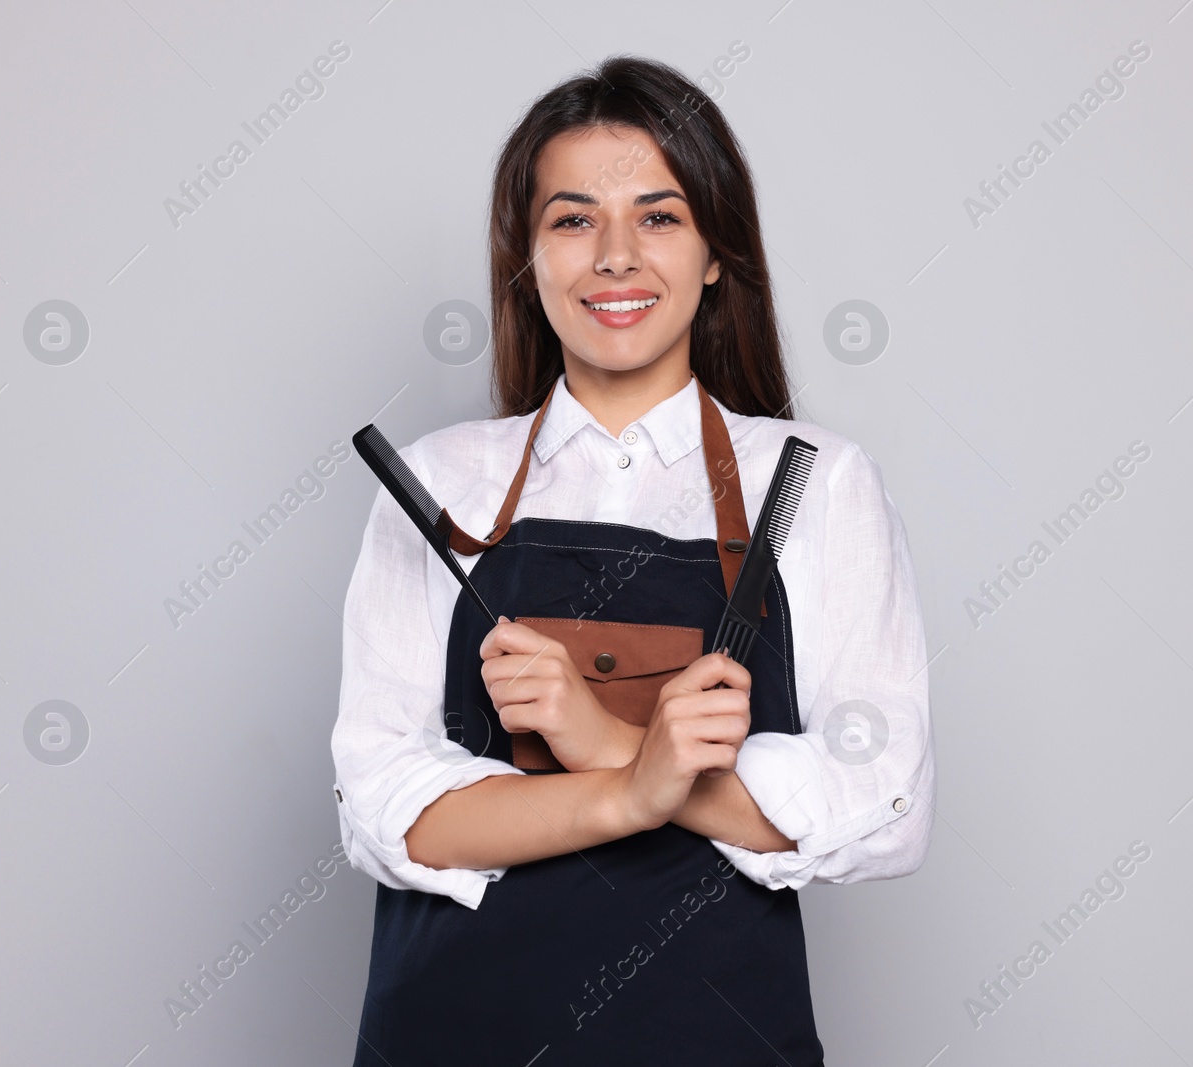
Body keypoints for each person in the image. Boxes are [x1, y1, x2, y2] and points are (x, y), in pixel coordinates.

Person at [330, 54, 935, 1066]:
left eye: (658, 216)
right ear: (527, 257)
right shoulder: (437, 485)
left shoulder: (815, 483)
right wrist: (631, 782)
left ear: (713, 253)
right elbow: (390, 808)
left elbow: (884, 805)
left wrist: (595, 731)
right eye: (572, 220)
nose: (614, 255)